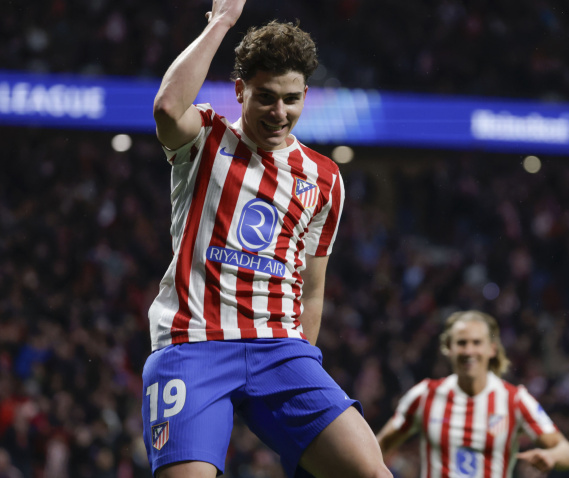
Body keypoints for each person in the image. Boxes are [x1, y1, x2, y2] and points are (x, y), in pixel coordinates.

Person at [142, 1, 391, 477]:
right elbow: (168, 107)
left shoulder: (324, 178)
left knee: (372, 472)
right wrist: (221, 23)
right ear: (240, 91)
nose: (280, 112)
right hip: (194, 345)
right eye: (265, 97)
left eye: (291, 98)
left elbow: (312, 288)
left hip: (280, 348)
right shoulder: (205, 138)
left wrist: (304, 365)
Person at [377, 310, 569, 477]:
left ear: (492, 349)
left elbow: (568, 452)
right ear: (449, 348)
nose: (469, 351)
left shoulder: (514, 400)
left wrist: (551, 457)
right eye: (462, 343)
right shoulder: (424, 395)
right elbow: (379, 446)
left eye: (476, 343)